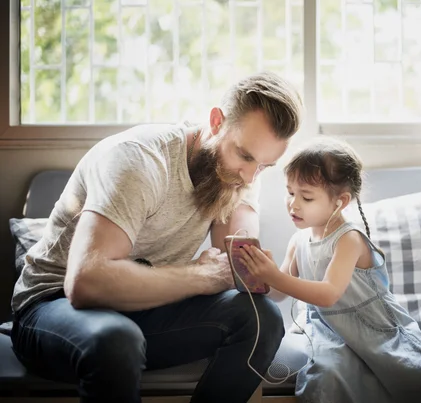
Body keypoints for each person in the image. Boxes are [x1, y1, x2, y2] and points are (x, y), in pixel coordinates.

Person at [10, 71, 303, 403]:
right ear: (216, 121)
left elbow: (237, 259)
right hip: (52, 308)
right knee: (118, 339)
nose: (250, 176)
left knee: (261, 318)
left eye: (265, 165)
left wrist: (273, 267)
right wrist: (203, 276)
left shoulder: (241, 173)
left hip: (148, 305)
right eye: (245, 156)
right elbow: (86, 283)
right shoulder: (140, 160)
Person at [239, 137, 421, 403]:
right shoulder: (298, 241)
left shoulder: (348, 239)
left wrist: (274, 276)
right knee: (325, 376)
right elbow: (280, 293)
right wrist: (258, 277)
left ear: (340, 202)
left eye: (307, 196)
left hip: (374, 328)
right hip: (328, 333)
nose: (293, 204)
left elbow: (328, 294)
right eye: (290, 192)